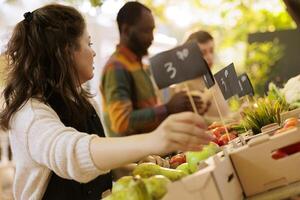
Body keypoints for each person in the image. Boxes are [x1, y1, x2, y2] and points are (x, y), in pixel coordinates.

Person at [0, 4, 213, 200]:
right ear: (66, 51)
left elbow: (96, 167)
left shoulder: (82, 101)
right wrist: (156, 139)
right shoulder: (30, 113)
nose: (93, 52)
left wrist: (135, 166)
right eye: (88, 43)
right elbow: (71, 156)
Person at [100, 1, 204, 137]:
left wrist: (183, 109)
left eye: (153, 30)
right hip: (136, 157)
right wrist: (168, 108)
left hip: (154, 152)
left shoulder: (141, 66)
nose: (152, 38)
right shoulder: (116, 67)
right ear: (126, 30)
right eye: (146, 31)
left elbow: (152, 116)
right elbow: (121, 123)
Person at [175, 30, 232, 120]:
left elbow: (226, 113)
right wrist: (230, 120)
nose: (209, 57)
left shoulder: (216, 80)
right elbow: (194, 121)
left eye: (211, 51)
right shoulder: (185, 85)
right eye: (203, 53)